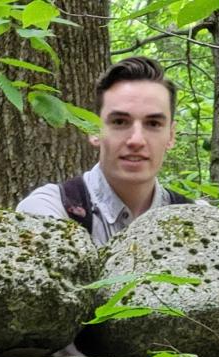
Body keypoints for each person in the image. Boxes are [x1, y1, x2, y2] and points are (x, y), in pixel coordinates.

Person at [16, 56, 202, 248]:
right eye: (120, 122)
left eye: (153, 124)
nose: (136, 140)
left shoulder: (201, 223)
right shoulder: (48, 210)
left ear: (171, 135)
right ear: (94, 130)